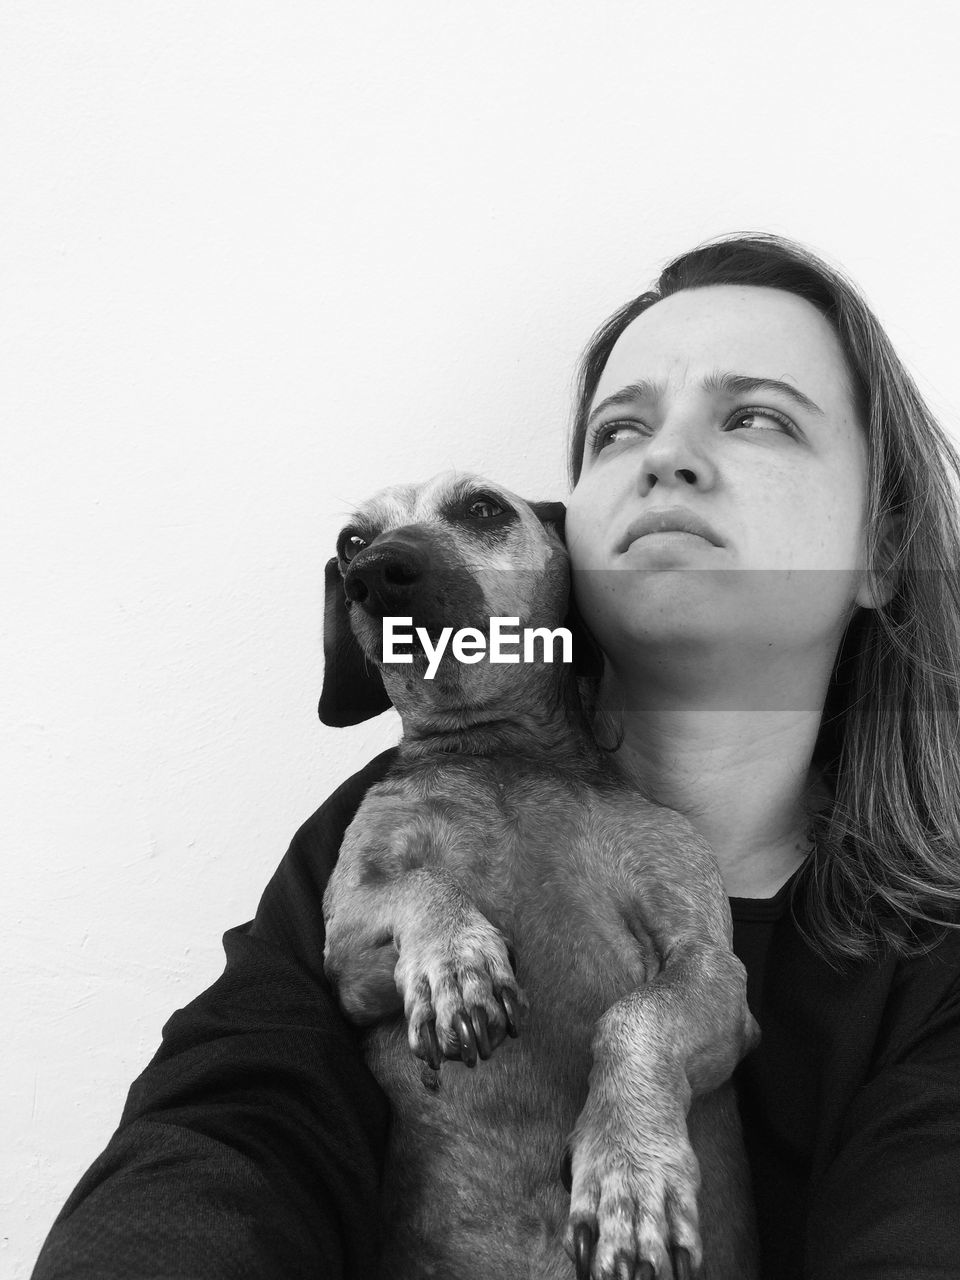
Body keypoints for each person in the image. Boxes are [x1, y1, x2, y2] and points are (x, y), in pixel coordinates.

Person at [32, 234, 960, 1280]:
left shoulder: (939, 954)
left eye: (755, 417)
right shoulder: (380, 830)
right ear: (569, 554)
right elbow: (227, 1131)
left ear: (884, 547)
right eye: (620, 429)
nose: (667, 455)